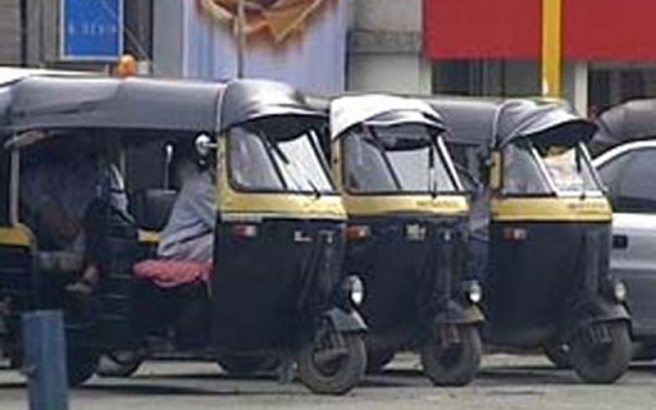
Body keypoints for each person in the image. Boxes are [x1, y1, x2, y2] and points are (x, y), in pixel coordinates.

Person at [21, 134, 128, 295]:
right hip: (46, 245)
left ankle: (91, 276)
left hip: (101, 245)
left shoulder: (102, 173)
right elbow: (64, 229)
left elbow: (71, 228)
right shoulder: (37, 175)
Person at [157, 149, 217, 264]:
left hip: (194, 241)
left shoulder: (210, 186)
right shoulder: (201, 188)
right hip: (176, 248)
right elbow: (220, 224)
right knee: (227, 243)